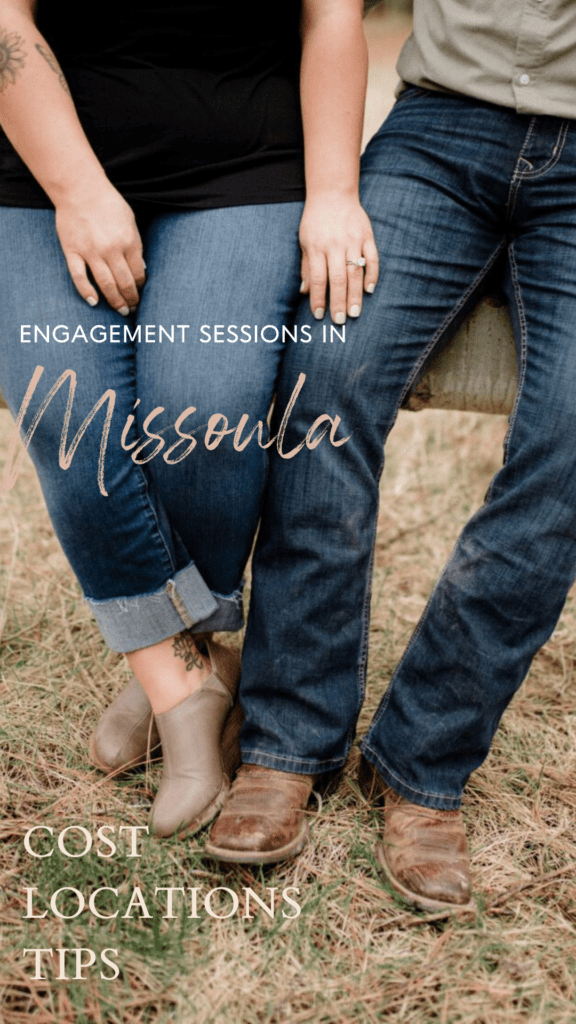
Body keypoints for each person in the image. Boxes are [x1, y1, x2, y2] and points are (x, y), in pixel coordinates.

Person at [206, 0, 576, 911]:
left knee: (569, 442)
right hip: (442, 125)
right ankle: (287, 741)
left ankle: (423, 764)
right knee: (328, 372)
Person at [0, 0, 377, 837]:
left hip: (244, 164)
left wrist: (334, 193)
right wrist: (79, 190)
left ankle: (176, 649)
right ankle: (183, 684)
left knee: (201, 411)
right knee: (69, 413)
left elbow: (332, 19)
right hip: (43, 166)